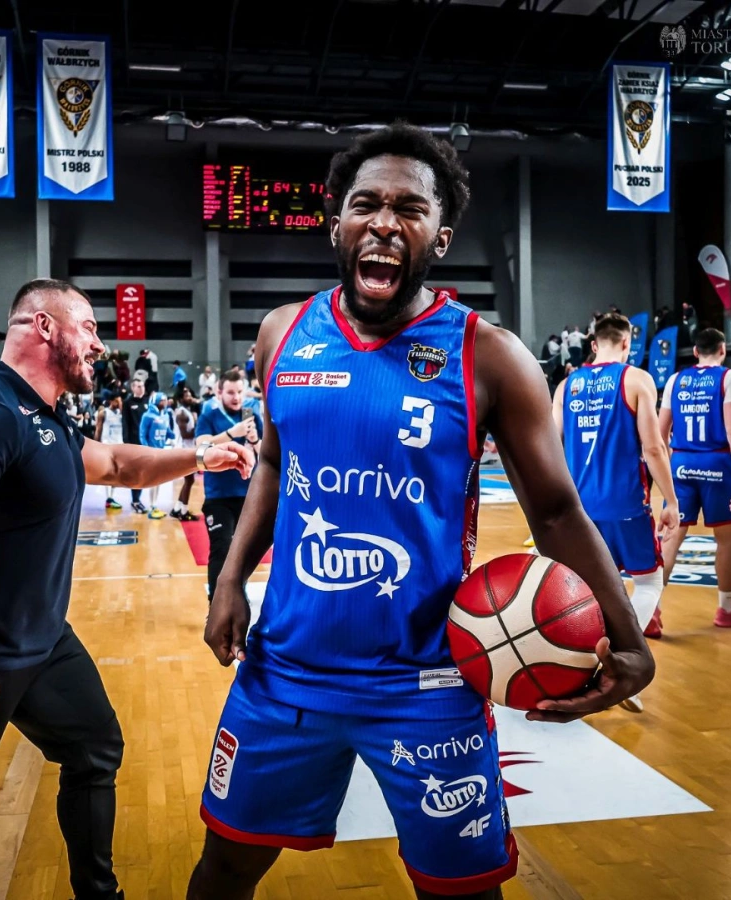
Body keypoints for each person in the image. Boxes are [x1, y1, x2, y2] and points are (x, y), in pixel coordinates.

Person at [189, 123, 652, 900]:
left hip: (429, 684)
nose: (384, 222)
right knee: (225, 869)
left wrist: (629, 639)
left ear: (439, 237)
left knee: (463, 892)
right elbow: (272, 459)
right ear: (336, 222)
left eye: (409, 209)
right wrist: (231, 577)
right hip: (285, 672)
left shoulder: (489, 355)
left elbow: (556, 511)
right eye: (365, 204)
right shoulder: (282, 333)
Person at [0, 278, 252, 900]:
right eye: (89, 327)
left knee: (96, 749)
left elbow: (118, 465)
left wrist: (199, 458)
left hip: (41, 644)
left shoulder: (46, 419)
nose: (99, 343)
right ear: (44, 327)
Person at [552, 311, 678, 713]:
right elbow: (654, 448)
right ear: (627, 344)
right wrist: (671, 501)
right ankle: (622, 666)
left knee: (583, 592)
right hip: (625, 505)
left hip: (578, 510)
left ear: (593, 344)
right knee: (650, 583)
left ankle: (563, 670)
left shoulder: (567, 385)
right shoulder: (637, 379)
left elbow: (551, 449)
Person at [657, 327, 731, 634]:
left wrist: (668, 468)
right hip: (717, 463)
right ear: (723, 350)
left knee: (671, 536)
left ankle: (650, 610)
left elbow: (660, 432)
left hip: (681, 463)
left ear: (695, 351)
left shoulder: (675, 380)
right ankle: (726, 609)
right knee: (725, 539)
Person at [193, 369, 262, 599]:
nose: (236, 397)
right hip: (218, 497)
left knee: (243, 552)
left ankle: (238, 597)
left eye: (240, 392)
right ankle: (216, 604)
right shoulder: (209, 416)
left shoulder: (251, 414)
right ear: (219, 392)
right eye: (231, 392)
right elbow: (201, 447)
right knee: (221, 548)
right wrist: (232, 433)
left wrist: (254, 439)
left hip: (248, 496)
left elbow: (266, 454)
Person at [138, 391, 176, 519]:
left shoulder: (165, 416)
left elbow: (168, 432)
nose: (165, 402)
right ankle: (152, 507)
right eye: (162, 400)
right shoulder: (147, 416)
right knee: (153, 480)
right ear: (156, 401)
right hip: (151, 452)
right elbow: (142, 434)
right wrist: (146, 449)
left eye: (165, 400)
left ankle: (154, 505)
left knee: (158, 480)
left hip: (162, 452)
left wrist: (174, 435)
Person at [120, 377, 149, 513]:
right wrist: (126, 441)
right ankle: (135, 500)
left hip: (147, 443)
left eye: (142, 386)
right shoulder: (128, 403)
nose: (141, 388)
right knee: (136, 472)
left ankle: (140, 499)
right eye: (138, 386)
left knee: (145, 472)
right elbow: (125, 422)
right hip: (134, 442)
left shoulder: (148, 402)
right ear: (133, 388)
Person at [171, 385, 200, 521]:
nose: (190, 398)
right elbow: (185, 435)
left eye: (190, 395)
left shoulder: (186, 411)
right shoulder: (182, 413)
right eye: (187, 396)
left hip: (187, 448)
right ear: (181, 399)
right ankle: (183, 512)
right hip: (183, 449)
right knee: (189, 480)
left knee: (189, 480)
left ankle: (177, 508)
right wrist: (199, 426)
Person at [95, 395, 126, 510]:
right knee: (108, 472)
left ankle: (111, 498)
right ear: (111, 401)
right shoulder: (103, 413)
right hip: (107, 445)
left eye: (120, 401)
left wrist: (121, 407)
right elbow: (98, 429)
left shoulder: (121, 413)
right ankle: (108, 499)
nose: (119, 403)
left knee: (116, 473)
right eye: (117, 401)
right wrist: (96, 444)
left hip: (119, 445)